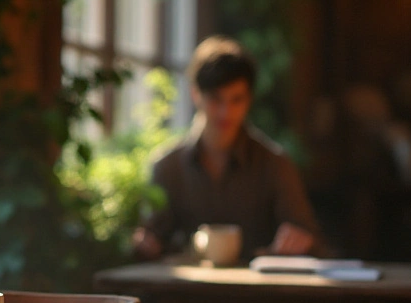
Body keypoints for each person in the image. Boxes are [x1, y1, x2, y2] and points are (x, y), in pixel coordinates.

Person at [132, 35, 319, 262]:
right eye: (215, 99)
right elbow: (152, 239)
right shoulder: (167, 166)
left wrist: (299, 240)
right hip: (188, 292)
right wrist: (144, 242)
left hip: (257, 293)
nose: (225, 112)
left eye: (236, 99)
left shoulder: (276, 164)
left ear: (249, 99)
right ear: (195, 95)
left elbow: (311, 239)